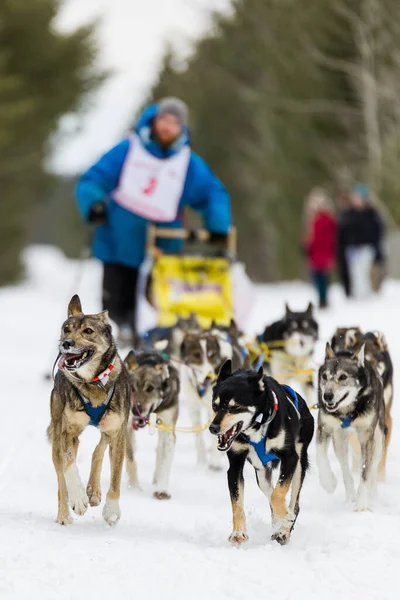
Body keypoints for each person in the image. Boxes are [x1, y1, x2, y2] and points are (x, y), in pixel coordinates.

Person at [76, 97, 231, 343]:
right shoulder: (129, 149)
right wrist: (93, 203)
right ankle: (119, 338)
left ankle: (159, 341)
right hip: (120, 238)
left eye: (174, 122)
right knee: (116, 299)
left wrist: (218, 226)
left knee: (160, 297)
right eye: (164, 120)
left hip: (164, 245)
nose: (167, 127)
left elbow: (213, 193)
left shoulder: (187, 162)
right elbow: (94, 178)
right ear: (154, 120)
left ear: (182, 128)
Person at [345, 183, 385, 297]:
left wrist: (376, 247)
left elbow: (377, 231)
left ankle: (365, 295)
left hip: (366, 247)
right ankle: (357, 295)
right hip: (353, 248)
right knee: (355, 273)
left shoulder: (371, 213)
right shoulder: (350, 213)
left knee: (364, 272)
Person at [303, 188, 337, 309]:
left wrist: (309, 245)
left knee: (321, 277)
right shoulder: (315, 219)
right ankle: (323, 299)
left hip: (322, 252)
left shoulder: (324, 219)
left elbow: (323, 238)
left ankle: (323, 299)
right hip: (317, 253)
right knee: (318, 277)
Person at [336, 194, 353, 297]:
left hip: (351, 247)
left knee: (352, 271)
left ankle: (353, 291)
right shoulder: (341, 215)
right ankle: (347, 292)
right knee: (343, 271)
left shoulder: (353, 214)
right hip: (341, 247)